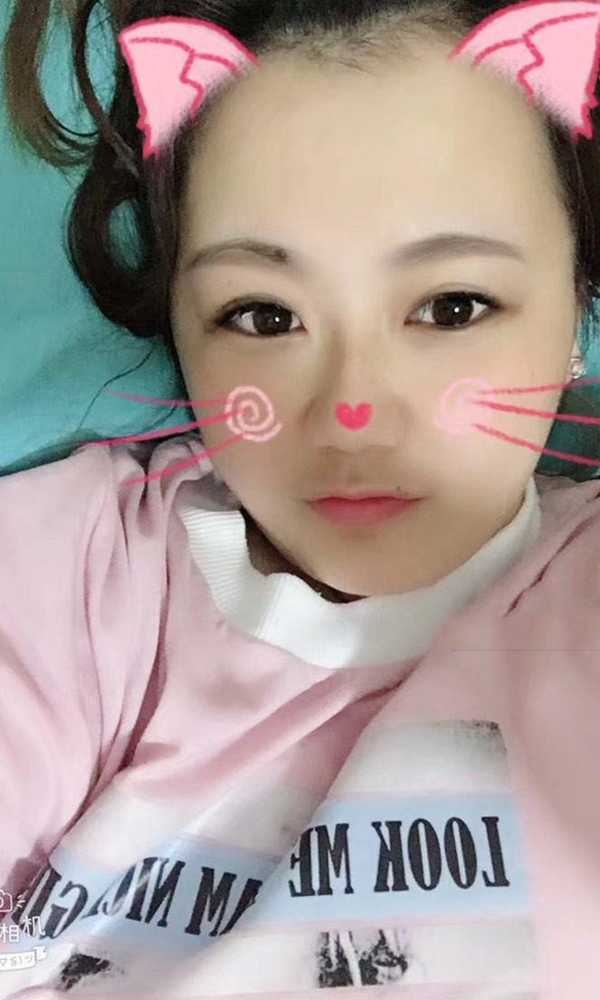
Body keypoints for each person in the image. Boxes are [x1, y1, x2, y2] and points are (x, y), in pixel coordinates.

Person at [1, 0, 600, 995]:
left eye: (452, 306)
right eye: (264, 316)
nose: (352, 412)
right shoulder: (75, 578)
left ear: (576, 310)